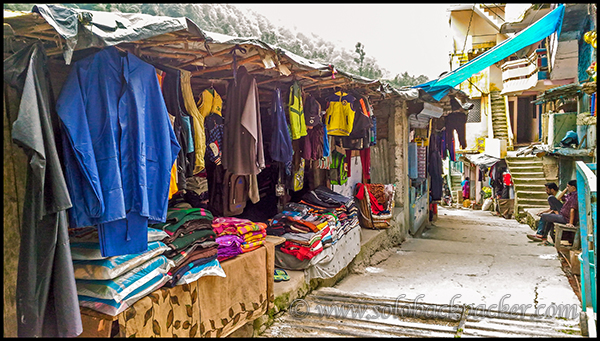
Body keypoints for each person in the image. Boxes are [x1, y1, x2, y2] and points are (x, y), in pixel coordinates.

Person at [528, 180, 579, 245]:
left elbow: (572, 210)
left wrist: (570, 223)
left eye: (568, 187)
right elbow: (558, 198)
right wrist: (566, 189)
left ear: (573, 188)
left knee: (544, 216)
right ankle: (543, 236)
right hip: (562, 214)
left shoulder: (575, 196)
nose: (567, 188)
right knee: (549, 213)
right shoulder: (570, 194)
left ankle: (540, 235)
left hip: (565, 218)